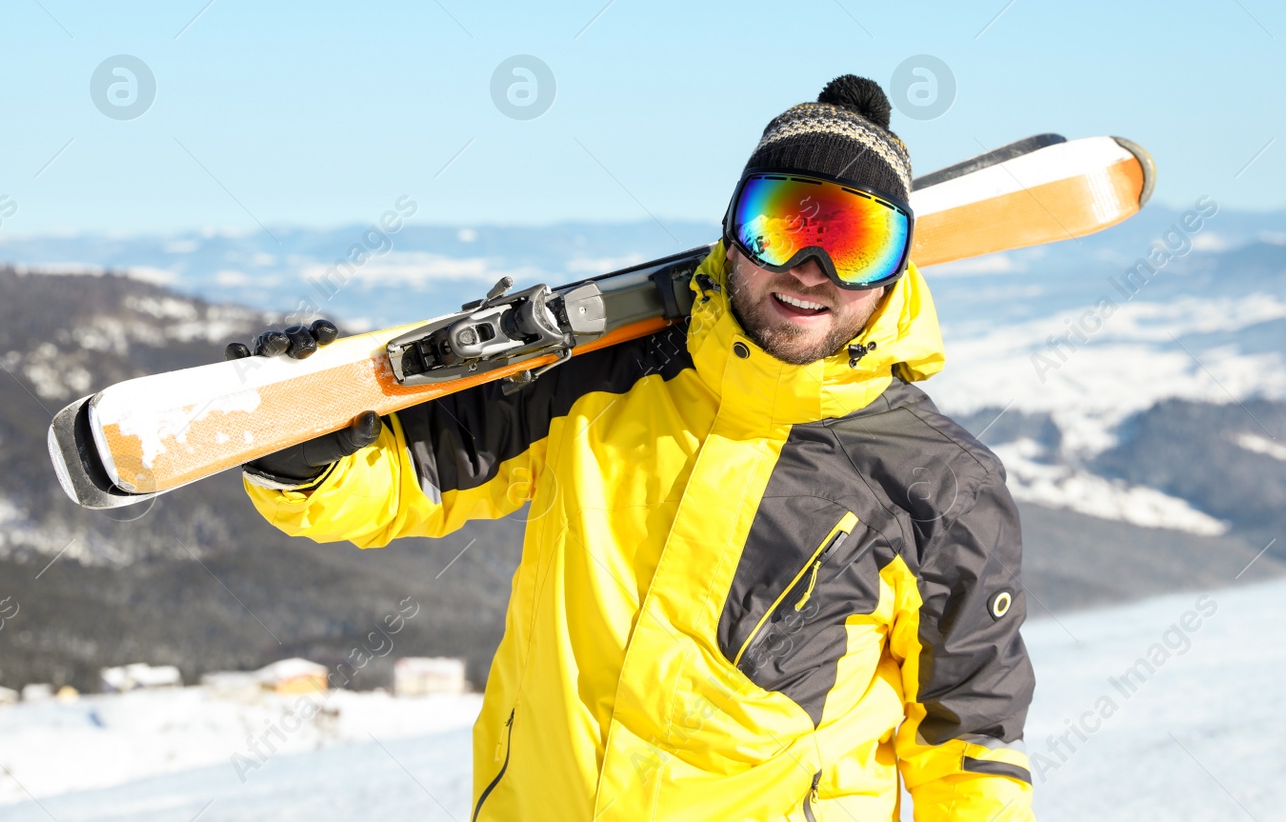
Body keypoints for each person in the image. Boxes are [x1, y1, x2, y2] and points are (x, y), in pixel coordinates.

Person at [239, 75, 1036, 821]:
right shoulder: (599, 379)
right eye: (782, 226)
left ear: (896, 272)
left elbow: (972, 745)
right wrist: (304, 455)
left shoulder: (940, 483)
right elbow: (403, 480)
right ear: (732, 230)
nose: (809, 270)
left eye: (854, 244)